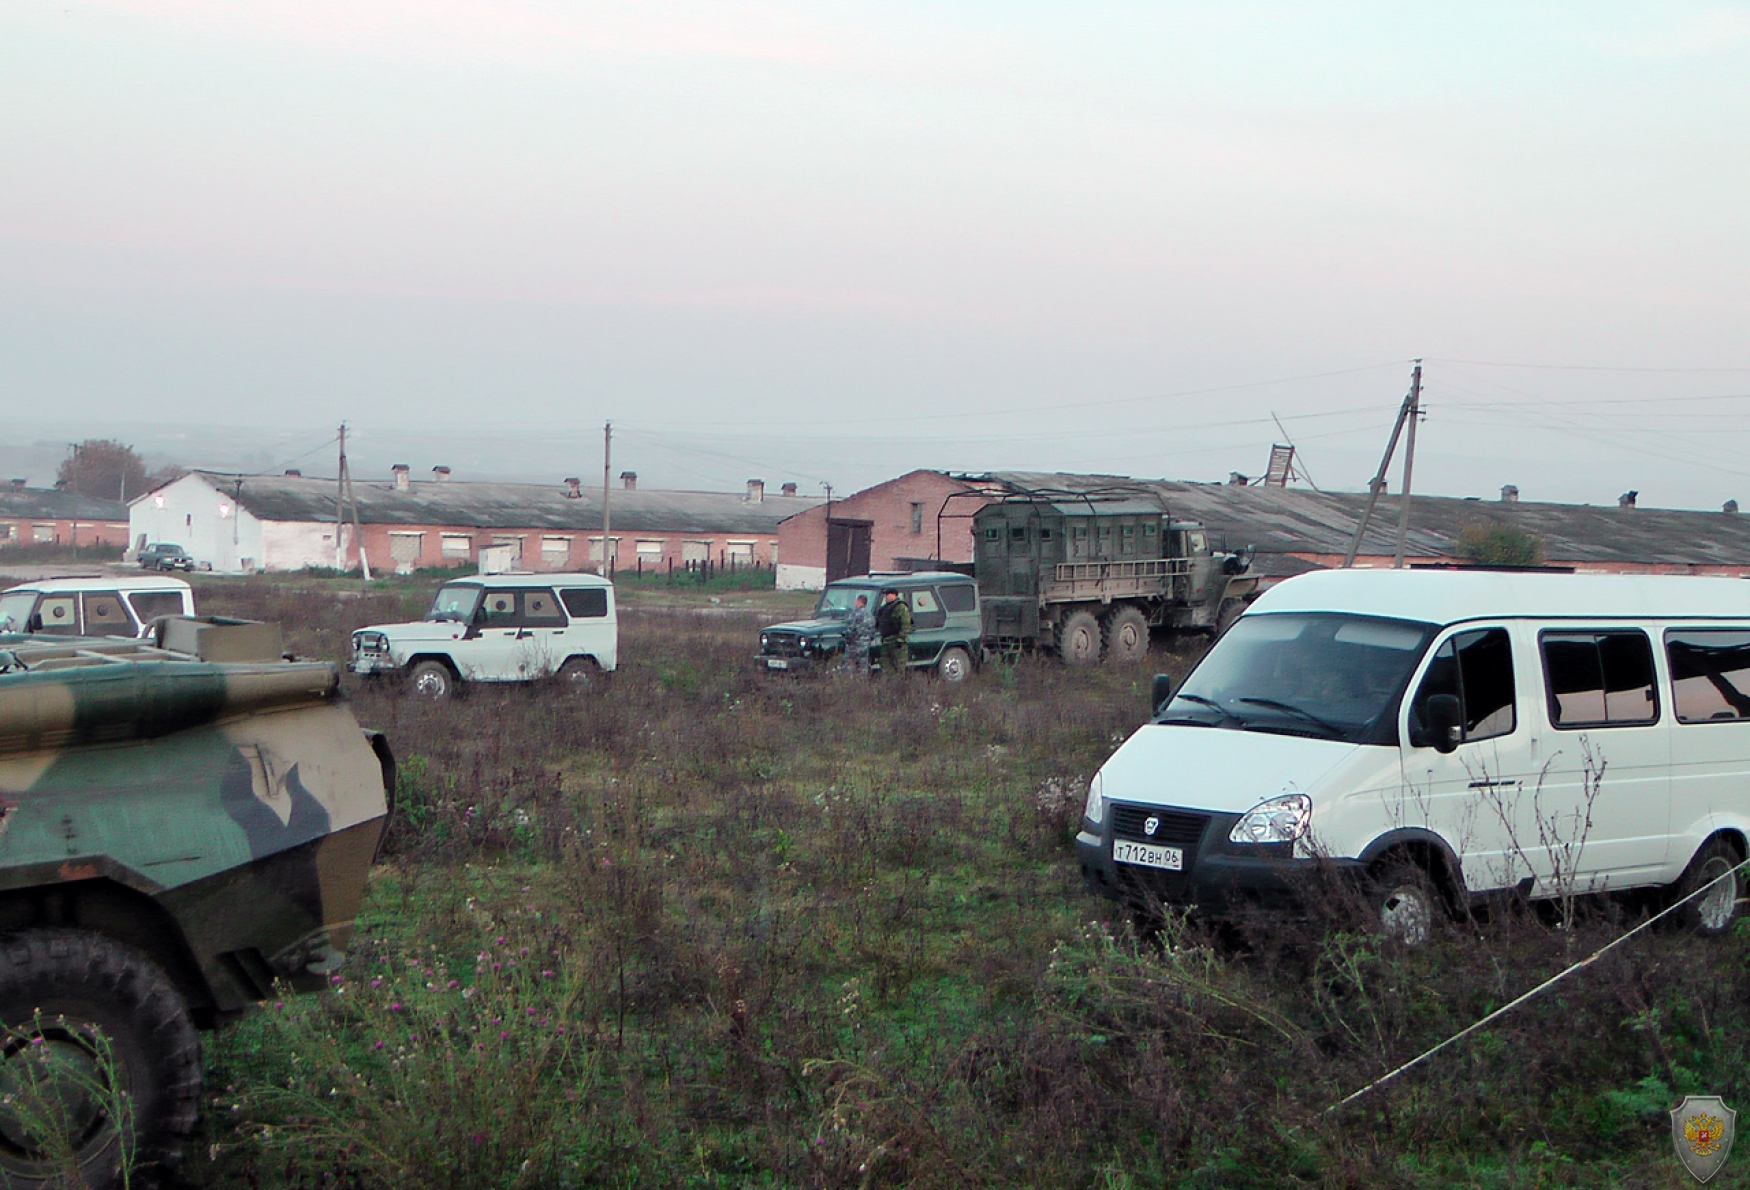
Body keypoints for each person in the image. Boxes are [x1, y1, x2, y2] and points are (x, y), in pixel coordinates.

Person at [875, 588, 911, 677]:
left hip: (897, 642)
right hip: (886, 641)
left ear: (895, 595)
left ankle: (899, 686)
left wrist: (900, 638)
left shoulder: (901, 607)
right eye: (886, 595)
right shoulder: (884, 608)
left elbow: (906, 624)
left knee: (899, 667)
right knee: (886, 667)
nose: (887, 597)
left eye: (889, 594)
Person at [842, 593, 874, 675]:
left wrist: (847, 641)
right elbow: (872, 632)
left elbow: (850, 630)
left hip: (854, 645)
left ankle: (849, 684)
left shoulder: (854, 614)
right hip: (865, 645)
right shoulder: (870, 615)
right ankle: (862, 685)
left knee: (848, 666)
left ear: (859, 601)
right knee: (863, 667)